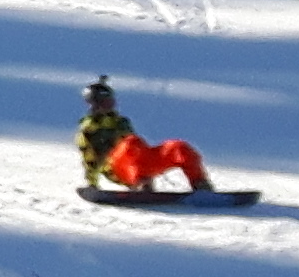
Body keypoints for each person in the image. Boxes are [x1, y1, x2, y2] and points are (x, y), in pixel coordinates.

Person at [78, 75, 212, 192]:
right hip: (117, 169)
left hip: (139, 163)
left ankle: (200, 185)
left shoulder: (122, 122)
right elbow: (89, 158)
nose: (110, 105)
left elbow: (137, 151)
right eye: (105, 102)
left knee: (178, 147)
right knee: (131, 142)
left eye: (111, 101)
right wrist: (92, 184)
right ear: (95, 104)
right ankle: (140, 183)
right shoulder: (89, 129)